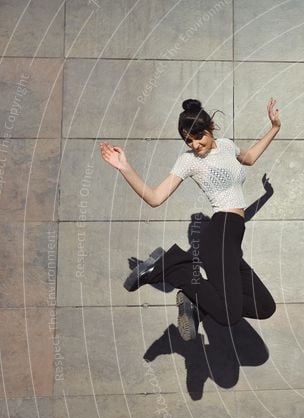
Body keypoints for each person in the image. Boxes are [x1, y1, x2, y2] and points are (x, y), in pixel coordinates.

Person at [99, 98, 280, 340]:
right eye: (189, 140)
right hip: (220, 234)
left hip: (233, 241)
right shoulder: (189, 161)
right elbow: (155, 197)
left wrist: (275, 128)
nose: (195, 144)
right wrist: (124, 167)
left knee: (265, 307)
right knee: (228, 316)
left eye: (199, 136)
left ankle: (195, 299)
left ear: (211, 128)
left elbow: (249, 158)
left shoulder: (226, 146)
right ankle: (175, 272)